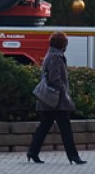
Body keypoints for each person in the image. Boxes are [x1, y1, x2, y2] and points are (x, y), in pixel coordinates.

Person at [27, 31, 86, 165]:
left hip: (46, 100)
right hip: (57, 100)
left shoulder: (51, 54)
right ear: (62, 44)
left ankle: (32, 152)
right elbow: (54, 78)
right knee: (65, 128)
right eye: (66, 43)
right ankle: (73, 156)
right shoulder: (56, 57)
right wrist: (63, 90)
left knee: (45, 126)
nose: (67, 45)